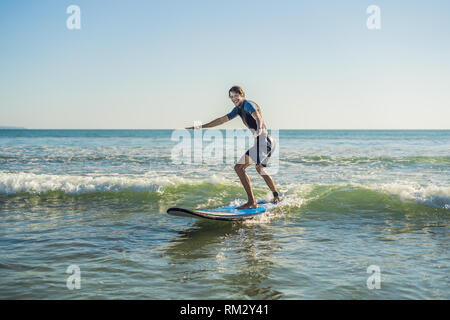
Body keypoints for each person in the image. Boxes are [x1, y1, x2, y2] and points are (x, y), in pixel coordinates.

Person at [186, 86, 281, 209]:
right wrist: (200, 127)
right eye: (231, 97)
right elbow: (221, 120)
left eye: (236, 96)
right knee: (260, 169)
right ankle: (276, 195)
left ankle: (252, 202)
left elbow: (257, 116)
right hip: (267, 141)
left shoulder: (247, 104)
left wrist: (258, 128)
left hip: (263, 141)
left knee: (239, 168)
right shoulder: (237, 110)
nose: (233, 99)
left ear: (242, 95)